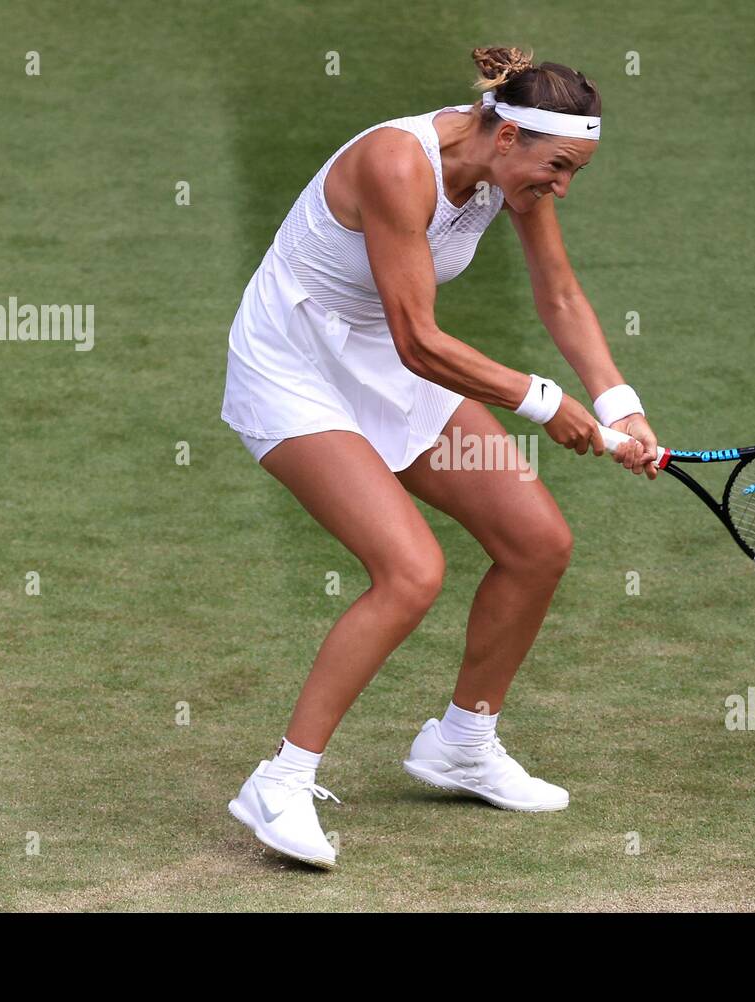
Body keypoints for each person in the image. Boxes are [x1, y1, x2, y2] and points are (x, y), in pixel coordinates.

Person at [223, 45, 659, 869]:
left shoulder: (513, 171)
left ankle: (463, 742)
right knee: (411, 570)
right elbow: (420, 341)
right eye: (558, 168)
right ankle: (280, 780)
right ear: (506, 139)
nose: (561, 187)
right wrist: (542, 401)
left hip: (387, 360)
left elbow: (559, 294)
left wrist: (617, 405)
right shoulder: (397, 162)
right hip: (295, 364)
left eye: (576, 173)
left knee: (538, 543)